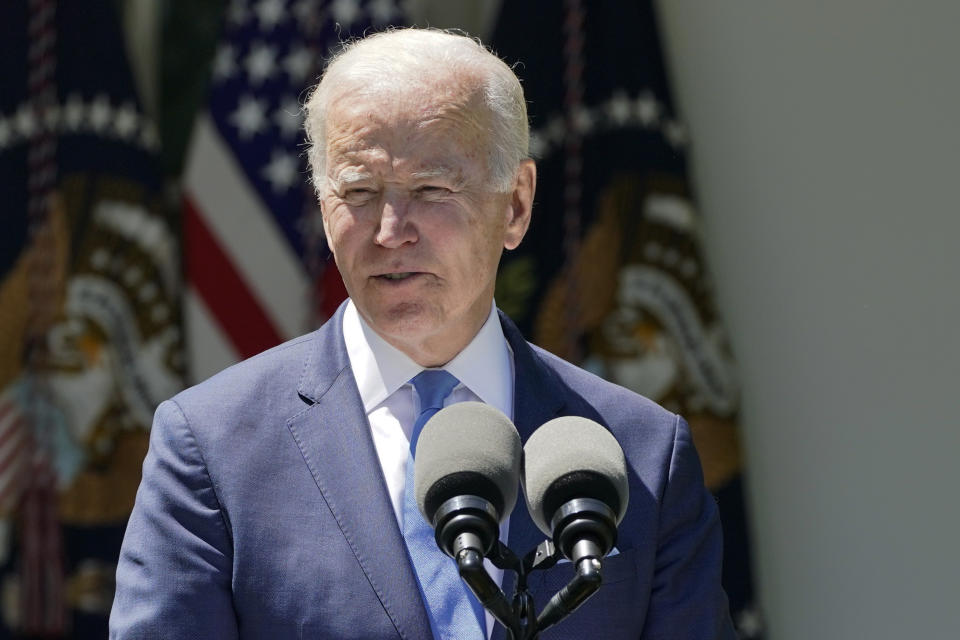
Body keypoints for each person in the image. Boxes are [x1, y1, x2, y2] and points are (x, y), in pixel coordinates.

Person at [110, 28, 736, 639]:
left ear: (515, 204)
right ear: (324, 210)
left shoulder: (644, 453)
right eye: (358, 191)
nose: (390, 230)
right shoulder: (212, 447)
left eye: (431, 189)